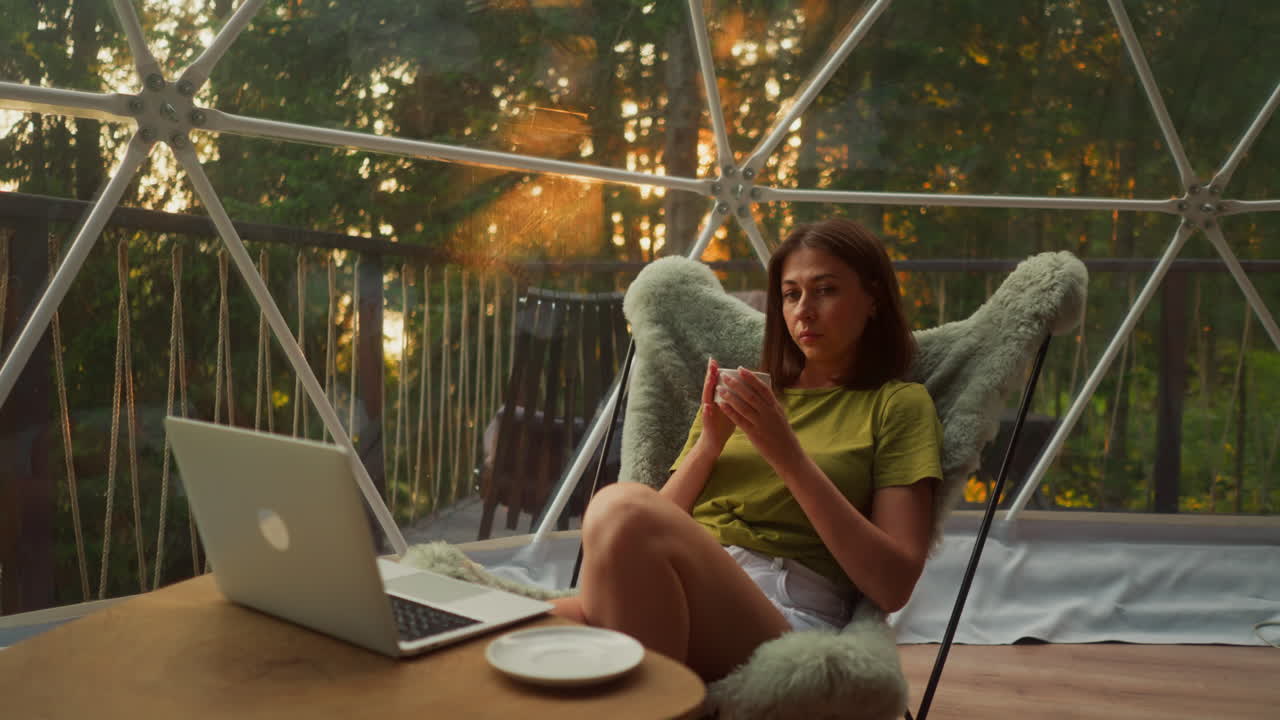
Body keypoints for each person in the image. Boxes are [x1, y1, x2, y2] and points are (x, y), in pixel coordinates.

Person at [551, 218, 943, 681]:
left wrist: (787, 455)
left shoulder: (897, 405)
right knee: (509, 627)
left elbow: (893, 583)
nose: (805, 311)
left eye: (826, 290)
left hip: (785, 611)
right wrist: (710, 445)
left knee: (618, 505)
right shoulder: (748, 393)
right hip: (682, 586)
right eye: (792, 293)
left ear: (873, 299)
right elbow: (642, 531)